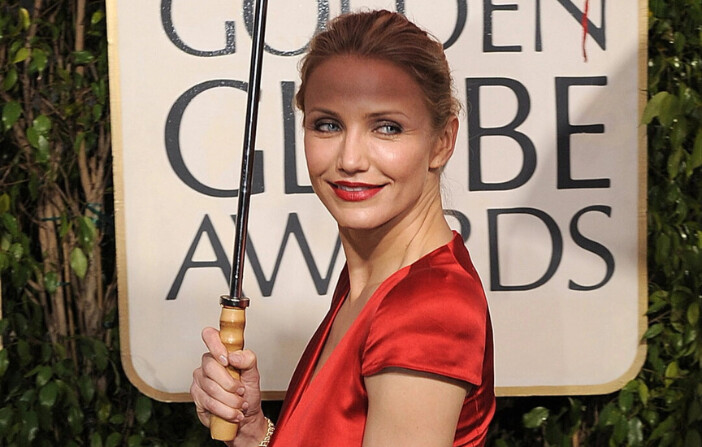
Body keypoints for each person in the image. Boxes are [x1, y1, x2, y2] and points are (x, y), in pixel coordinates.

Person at [190, 9, 495, 447]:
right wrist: (257, 433)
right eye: (328, 124)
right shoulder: (371, 283)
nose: (350, 159)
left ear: (442, 141)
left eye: (387, 127)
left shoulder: (426, 309)